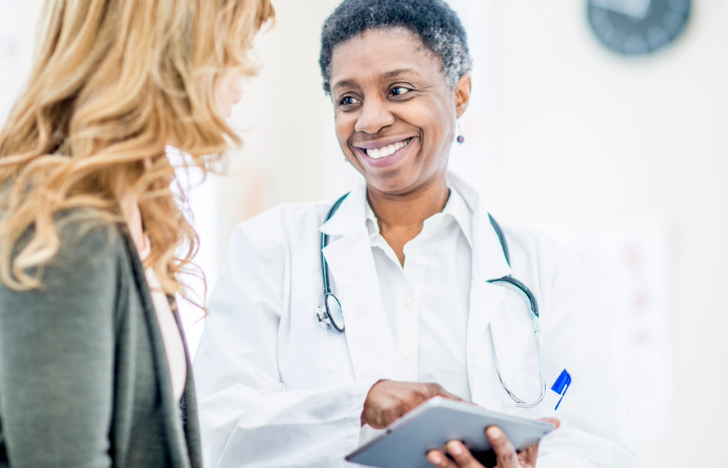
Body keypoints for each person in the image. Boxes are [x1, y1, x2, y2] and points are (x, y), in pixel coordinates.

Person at [192, 0, 638, 467]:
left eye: (399, 90)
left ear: (459, 95)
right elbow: (213, 426)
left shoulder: (545, 270)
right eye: (348, 99)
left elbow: (598, 446)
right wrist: (360, 404)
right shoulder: (272, 249)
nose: (369, 120)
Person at [0, 0, 274, 466]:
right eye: (235, 45)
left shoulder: (134, 218)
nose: (247, 70)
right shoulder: (63, 230)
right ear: (174, 48)